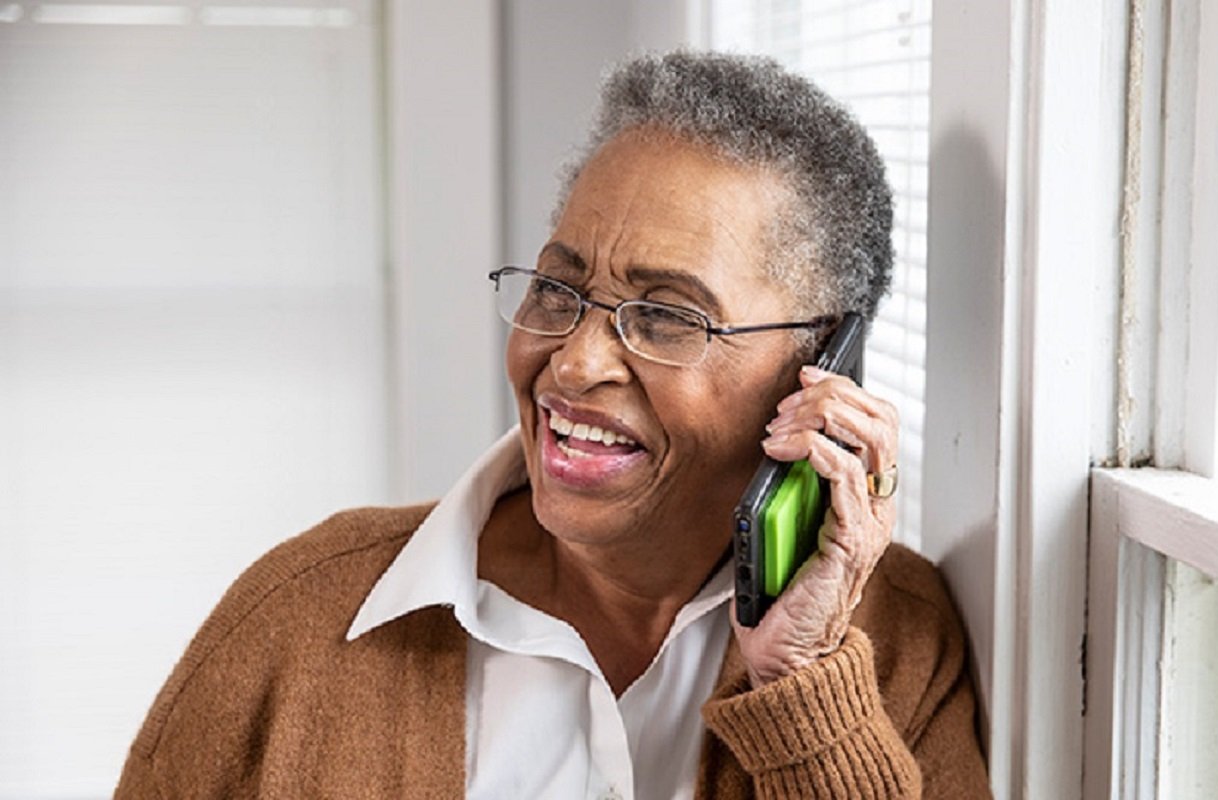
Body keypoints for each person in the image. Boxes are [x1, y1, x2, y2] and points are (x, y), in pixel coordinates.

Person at [116, 51, 991, 799]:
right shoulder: (298, 617)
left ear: (820, 370)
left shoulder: (896, 639)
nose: (572, 364)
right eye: (558, 290)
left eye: (665, 316)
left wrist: (800, 685)